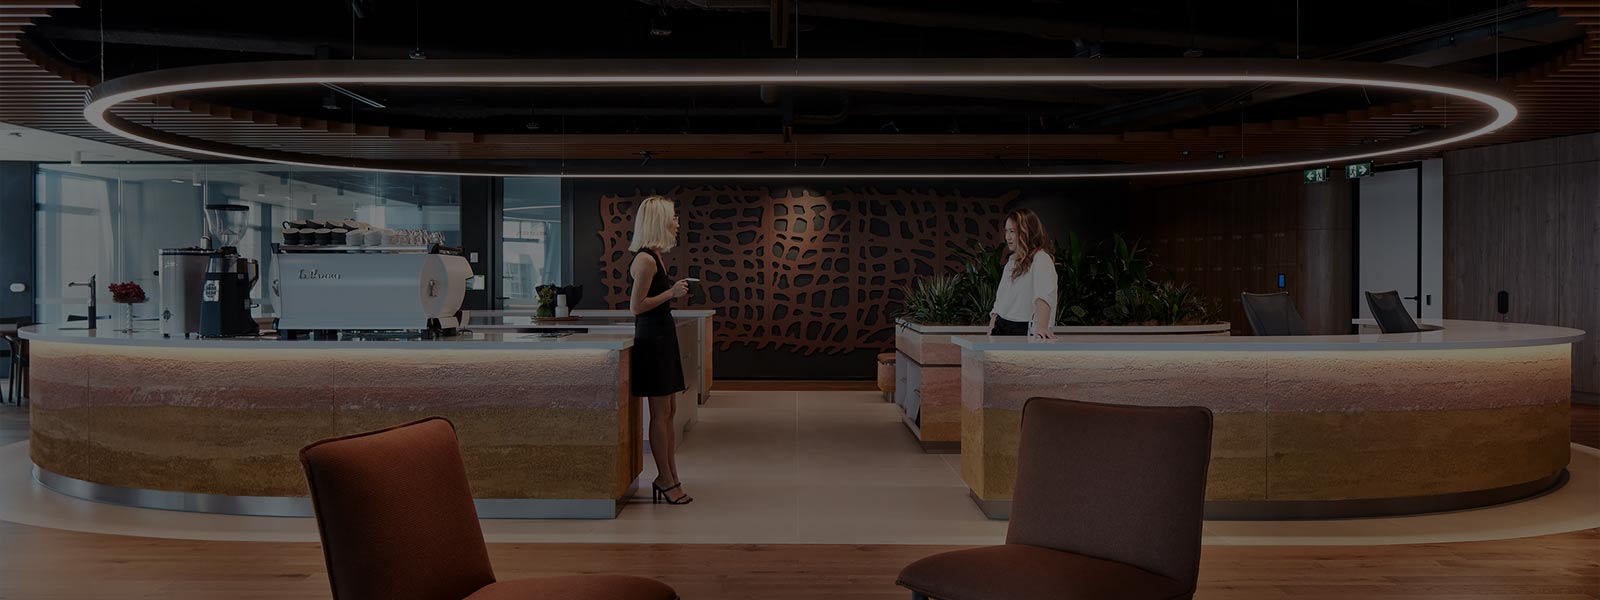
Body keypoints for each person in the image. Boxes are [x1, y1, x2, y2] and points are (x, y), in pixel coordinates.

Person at [627, 196, 693, 505]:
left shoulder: (656, 256)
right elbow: (636, 307)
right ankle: (665, 478)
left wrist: (669, 292)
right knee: (659, 414)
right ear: (658, 221)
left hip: (662, 337)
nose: (677, 222)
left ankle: (671, 475)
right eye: (673, 217)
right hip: (652, 340)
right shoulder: (645, 260)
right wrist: (671, 291)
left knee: (669, 412)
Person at [988, 208, 1058, 339]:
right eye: (1006, 231)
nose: (1007, 237)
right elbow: (1000, 303)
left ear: (1027, 232)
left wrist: (1041, 329)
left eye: (1012, 231)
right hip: (1001, 328)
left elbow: (1044, 296)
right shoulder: (1012, 261)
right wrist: (990, 331)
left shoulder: (1041, 259)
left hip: (1023, 330)